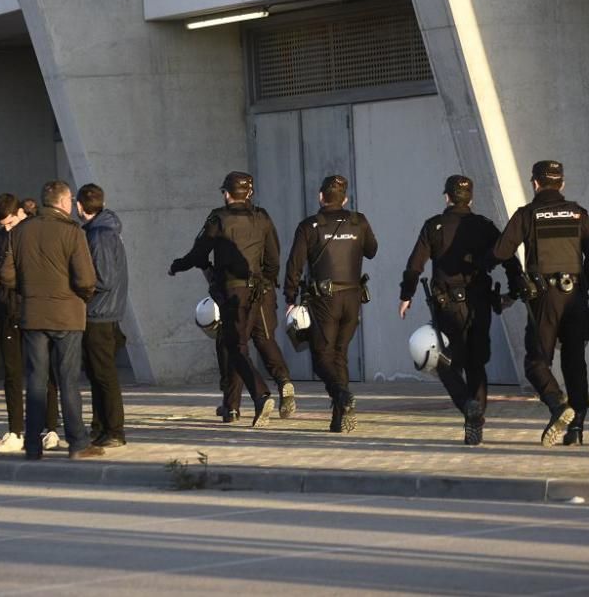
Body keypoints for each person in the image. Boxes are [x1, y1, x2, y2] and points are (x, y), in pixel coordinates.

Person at [398, 175, 522, 445]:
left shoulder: (433, 226)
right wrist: (513, 292)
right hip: (480, 304)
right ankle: (474, 422)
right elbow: (510, 259)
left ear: (447, 197)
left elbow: (414, 265)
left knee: (444, 363)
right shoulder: (484, 226)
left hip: (447, 307)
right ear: (471, 198)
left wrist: (406, 295)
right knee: (476, 365)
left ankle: (468, 407)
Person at [490, 160, 589, 446]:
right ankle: (576, 428)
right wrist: (584, 285)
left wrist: (516, 283)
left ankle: (558, 406)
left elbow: (501, 251)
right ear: (562, 184)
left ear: (535, 183)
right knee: (575, 361)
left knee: (537, 362)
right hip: (575, 295)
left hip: (544, 298)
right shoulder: (578, 213)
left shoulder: (527, 215)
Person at [1, 180, 105, 460]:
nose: (72, 203)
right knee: (68, 380)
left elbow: (7, 275)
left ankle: (33, 445)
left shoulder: (20, 232)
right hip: (67, 314)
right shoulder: (72, 232)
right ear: (62, 202)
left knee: (35, 380)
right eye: (70, 199)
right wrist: (82, 296)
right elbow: (85, 278)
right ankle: (78, 442)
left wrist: (29, 291)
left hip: (33, 314)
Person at [169, 171, 280, 428]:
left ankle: (261, 394)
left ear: (227, 194)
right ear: (249, 193)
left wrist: (177, 265)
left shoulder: (218, 218)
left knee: (234, 347)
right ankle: (232, 406)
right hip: (258, 292)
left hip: (232, 292)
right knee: (239, 345)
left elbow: (199, 253)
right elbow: (273, 258)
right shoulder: (262, 217)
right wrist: (266, 284)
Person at [283, 175, 377, 433]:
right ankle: (339, 419)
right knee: (339, 356)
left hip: (325, 299)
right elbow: (372, 250)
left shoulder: (310, 226)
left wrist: (290, 298)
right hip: (353, 297)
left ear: (320, 196)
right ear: (345, 198)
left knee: (321, 358)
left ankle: (342, 395)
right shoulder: (359, 221)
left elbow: (295, 264)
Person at [0, 194, 60, 454]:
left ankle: (51, 427)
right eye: (2, 224)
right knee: (12, 373)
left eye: (10, 222)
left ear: (21, 213)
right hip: (9, 311)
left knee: (44, 371)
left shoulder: (35, 235)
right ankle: (15, 429)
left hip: (36, 310)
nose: (7, 228)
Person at [76, 183, 129, 448]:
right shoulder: (103, 231)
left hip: (100, 313)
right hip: (103, 311)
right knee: (97, 374)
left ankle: (114, 430)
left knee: (104, 375)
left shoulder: (99, 235)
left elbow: (104, 278)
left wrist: (80, 288)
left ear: (78, 206)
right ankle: (100, 426)